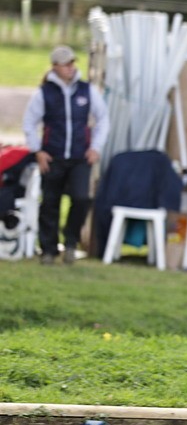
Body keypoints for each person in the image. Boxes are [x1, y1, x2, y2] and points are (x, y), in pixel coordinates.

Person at [22, 45, 109, 264]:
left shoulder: (86, 90)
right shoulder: (45, 93)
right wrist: (38, 151)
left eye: (72, 63)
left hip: (80, 156)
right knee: (50, 202)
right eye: (66, 64)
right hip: (53, 156)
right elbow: (29, 123)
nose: (71, 68)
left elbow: (103, 119)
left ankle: (70, 241)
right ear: (55, 67)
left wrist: (95, 147)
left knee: (81, 198)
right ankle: (49, 249)